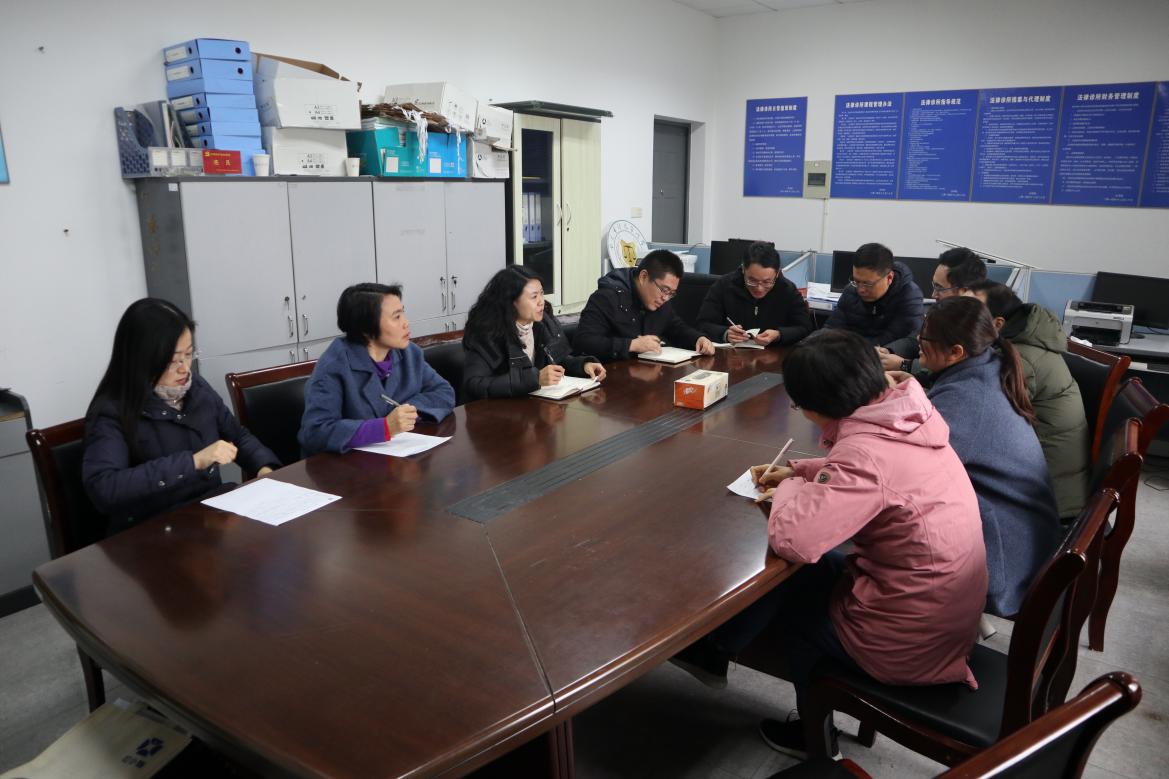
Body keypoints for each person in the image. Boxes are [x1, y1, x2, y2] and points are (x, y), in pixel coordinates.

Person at [672, 329, 986, 760]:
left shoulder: (866, 456)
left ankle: (814, 740)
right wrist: (802, 471)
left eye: (798, 405)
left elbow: (794, 540)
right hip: (944, 612)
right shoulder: (910, 415)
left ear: (817, 406)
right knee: (811, 573)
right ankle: (715, 649)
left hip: (908, 640)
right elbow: (874, 473)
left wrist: (787, 489)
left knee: (799, 609)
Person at [83, 298, 281, 537]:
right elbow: (105, 487)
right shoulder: (112, 410)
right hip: (154, 533)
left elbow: (237, 436)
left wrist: (264, 469)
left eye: (188, 355)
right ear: (141, 360)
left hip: (208, 519)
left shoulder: (196, 388)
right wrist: (193, 462)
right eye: (172, 360)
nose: (184, 368)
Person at [915, 296, 1062, 617]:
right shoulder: (988, 368)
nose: (918, 344)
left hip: (1007, 564)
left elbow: (910, 468)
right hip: (1024, 539)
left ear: (956, 352)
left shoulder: (968, 397)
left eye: (924, 339)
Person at [972, 281, 1089, 519]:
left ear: (997, 324)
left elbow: (978, 418)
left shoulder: (1019, 359)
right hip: (1039, 476)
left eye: (971, 314)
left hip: (1047, 498)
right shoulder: (1020, 343)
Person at [298, 283, 455, 456]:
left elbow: (444, 392)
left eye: (403, 313)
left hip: (395, 458)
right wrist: (384, 427)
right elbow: (316, 432)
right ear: (366, 328)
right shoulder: (334, 366)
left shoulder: (410, 353)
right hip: (343, 466)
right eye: (396, 317)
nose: (406, 323)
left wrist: (408, 414)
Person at [462, 266, 606, 399]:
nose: (541, 302)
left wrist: (583, 366)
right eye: (534, 296)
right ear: (511, 302)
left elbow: (556, 361)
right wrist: (534, 379)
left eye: (542, 294)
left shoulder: (542, 323)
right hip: (498, 413)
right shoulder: (486, 333)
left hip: (534, 406)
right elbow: (474, 385)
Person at [574, 249, 716, 362]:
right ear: (643, 277)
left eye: (671, 293)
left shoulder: (660, 302)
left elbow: (676, 327)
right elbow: (584, 342)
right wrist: (631, 345)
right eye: (664, 290)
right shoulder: (607, 298)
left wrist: (698, 338)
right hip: (610, 376)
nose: (666, 298)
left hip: (645, 374)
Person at [877, 246, 987, 371]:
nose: (933, 295)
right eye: (934, 285)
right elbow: (915, 340)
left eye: (940, 288)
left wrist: (905, 365)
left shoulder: (979, 328)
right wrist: (887, 351)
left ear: (964, 291)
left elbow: (951, 369)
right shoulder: (943, 312)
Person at [696, 241, 814, 347]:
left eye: (767, 282)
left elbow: (804, 328)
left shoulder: (787, 290)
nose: (759, 288)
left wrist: (779, 335)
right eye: (752, 281)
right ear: (743, 269)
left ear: (777, 274)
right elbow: (703, 324)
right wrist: (725, 333)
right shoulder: (724, 286)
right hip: (730, 356)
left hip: (773, 357)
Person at [825, 242, 923, 357]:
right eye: (856, 281)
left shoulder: (909, 296)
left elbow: (905, 343)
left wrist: (850, 350)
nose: (860, 289)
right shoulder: (851, 291)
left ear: (889, 278)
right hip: (851, 355)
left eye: (868, 284)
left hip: (880, 360)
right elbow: (832, 328)